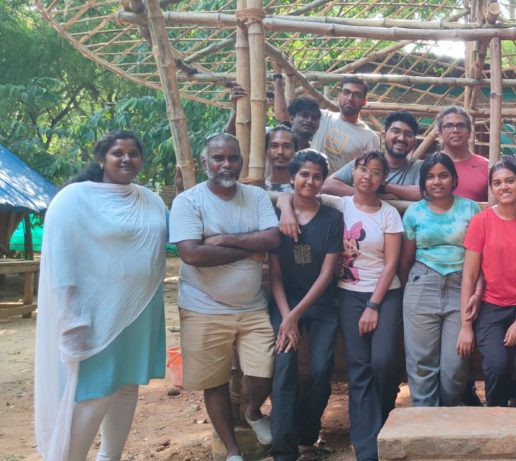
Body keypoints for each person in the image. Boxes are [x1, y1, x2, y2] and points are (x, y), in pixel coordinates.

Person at [35, 130, 167, 461]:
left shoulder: (149, 199)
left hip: (140, 311)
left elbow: (179, 235)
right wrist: (70, 318)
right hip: (94, 316)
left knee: (126, 387)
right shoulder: (74, 200)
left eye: (134, 153)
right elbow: (62, 262)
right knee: (92, 394)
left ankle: (110, 457)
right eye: (117, 153)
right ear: (101, 158)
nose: (126, 159)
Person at [170, 133, 281, 460]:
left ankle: (252, 411)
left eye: (233, 158)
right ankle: (232, 450)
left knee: (264, 369)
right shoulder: (188, 201)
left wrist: (222, 241)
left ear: (241, 162)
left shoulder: (257, 196)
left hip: (253, 306)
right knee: (214, 380)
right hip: (202, 306)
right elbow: (192, 254)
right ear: (205, 163)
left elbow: (273, 239)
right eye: (218, 158)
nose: (226, 164)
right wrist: (248, 250)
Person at [268, 150, 343, 461]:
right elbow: (274, 276)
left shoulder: (333, 219)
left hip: (321, 303)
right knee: (284, 367)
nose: (310, 181)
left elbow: (328, 274)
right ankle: (283, 449)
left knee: (321, 368)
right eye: (304, 175)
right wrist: (286, 317)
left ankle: (308, 434)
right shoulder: (275, 217)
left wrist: (295, 317)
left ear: (323, 181)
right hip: (284, 302)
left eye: (316, 176)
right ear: (292, 178)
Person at [332, 151, 405, 460]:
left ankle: (385, 411)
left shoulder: (389, 213)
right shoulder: (337, 205)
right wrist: (282, 205)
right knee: (359, 368)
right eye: (363, 169)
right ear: (353, 172)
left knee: (384, 360)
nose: (368, 176)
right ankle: (367, 449)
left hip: (385, 293)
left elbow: (391, 264)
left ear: (383, 180)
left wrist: (373, 304)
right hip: (348, 293)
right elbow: (297, 196)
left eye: (376, 172)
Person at [460, 156, 516, 407]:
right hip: (490, 307)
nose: (504, 187)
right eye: (497, 183)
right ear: (491, 188)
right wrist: (466, 326)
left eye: (510, 181)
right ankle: (497, 424)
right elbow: (469, 276)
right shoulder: (481, 222)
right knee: (496, 365)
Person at [399, 153, 482, 406]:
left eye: (443, 175)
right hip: (422, 283)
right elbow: (406, 259)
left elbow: (480, 256)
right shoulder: (414, 213)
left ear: (454, 179)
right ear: (423, 182)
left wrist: (478, 290)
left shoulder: (470, 208)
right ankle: (424, 425)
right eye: (430, 177)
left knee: (455, 366)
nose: (437, 182)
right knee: (421, 364)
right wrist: (411, 288)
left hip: (461, 285)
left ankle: (446, 418)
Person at [323, 111, 424, 199]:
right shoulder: (366, 161)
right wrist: (374, 195)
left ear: (414, 143)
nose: (401, 138)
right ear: (383, 136)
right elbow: (328, 185)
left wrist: (383, 186)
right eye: (396, 131)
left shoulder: (419, 167)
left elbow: (422, 192)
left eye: (408, 134)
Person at [310, 77, 380, 172]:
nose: (350, 98)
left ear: (364, 101)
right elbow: (286, 117)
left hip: (339, 186)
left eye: (357, 95)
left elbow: (370, 172)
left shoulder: (369, 137)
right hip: (309, 183)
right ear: (339, 96)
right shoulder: (321, 117)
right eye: (346, 92)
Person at [436, 106, 489, 202]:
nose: (455, 130)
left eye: (461, 125)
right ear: (439, 133)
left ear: (469, 132)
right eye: (449, 126)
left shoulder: (486, 166)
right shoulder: (430, 166)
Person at [266, 126, 298, 192]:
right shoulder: (257, 186)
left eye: (287, 146)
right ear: (266, 150)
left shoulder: (302, 189)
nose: (280, 152)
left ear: (295, 151)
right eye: (274, 146)